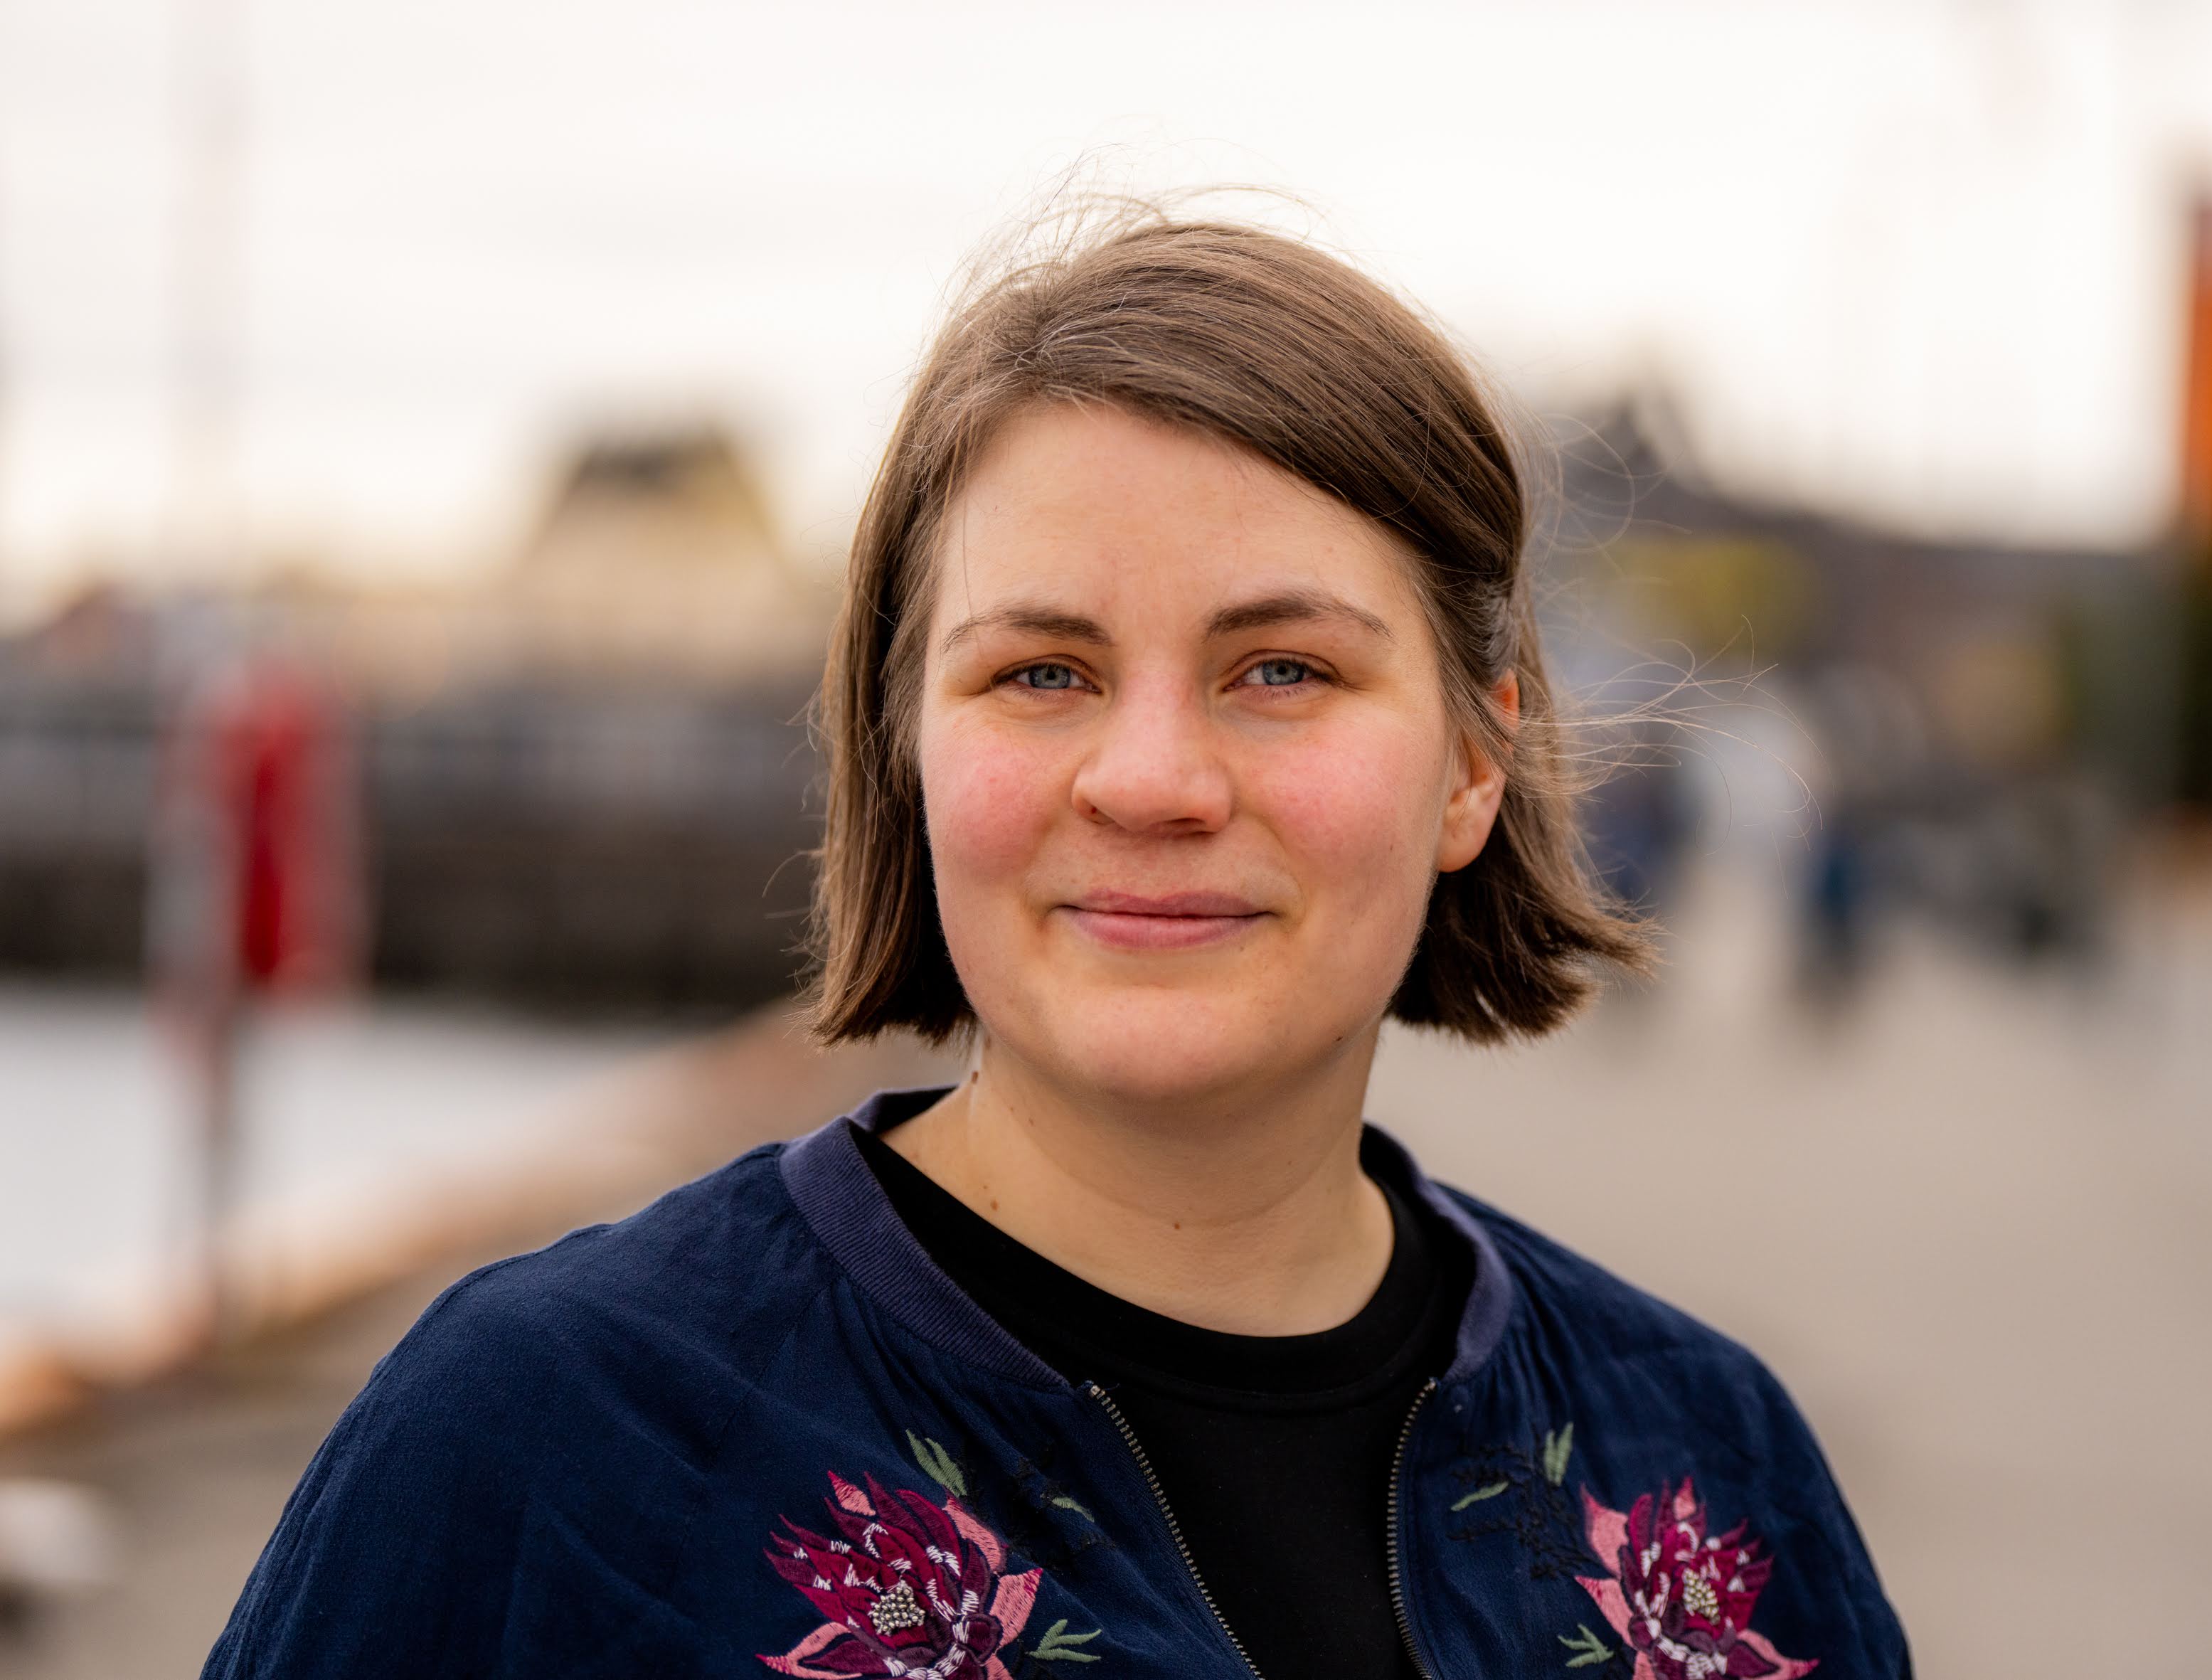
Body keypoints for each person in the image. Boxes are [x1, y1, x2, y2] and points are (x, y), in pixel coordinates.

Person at [205, 208, 1910, 1680]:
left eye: (1281, 669)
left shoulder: (1712, 1474)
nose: (1150, 779)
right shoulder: (554, 1438)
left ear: (1472, 761)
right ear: (907, 747)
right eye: (1041, 672)